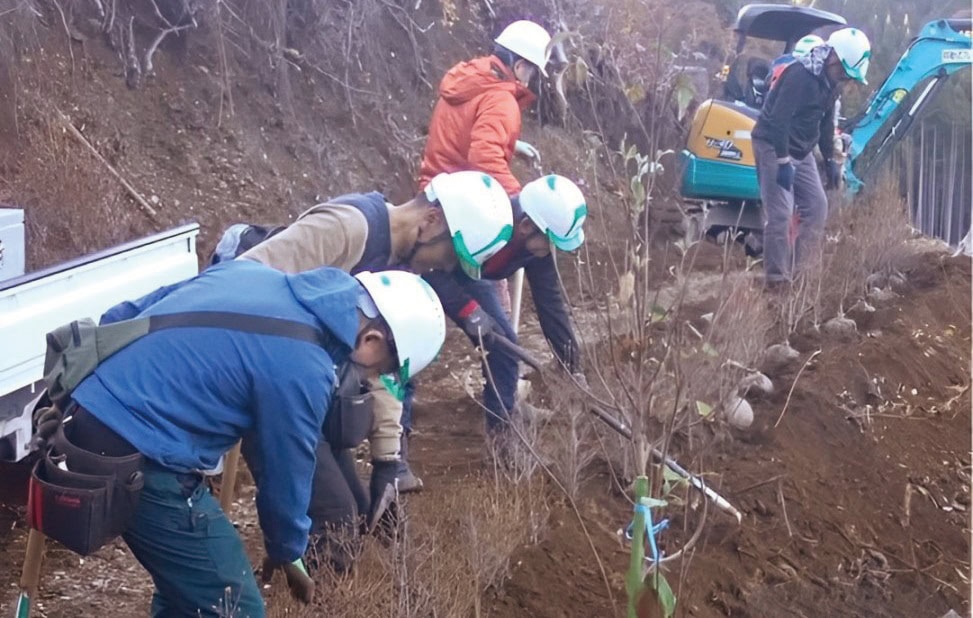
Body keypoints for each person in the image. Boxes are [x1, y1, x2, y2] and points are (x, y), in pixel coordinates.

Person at [65, 261, 446, 616]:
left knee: (189, 586)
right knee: (236, 603)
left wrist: (91, 393)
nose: (371, 378)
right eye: (382, 370)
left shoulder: (248, 272)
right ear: (373, 339)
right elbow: (287, 468)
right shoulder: (305, 367)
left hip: (92, 422)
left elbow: (123, 315)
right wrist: (287, 550)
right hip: (136, 457)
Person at [417, 174, 587, 435]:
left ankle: (503, 437)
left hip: (471, 274)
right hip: (430, 268)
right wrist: (467, 310)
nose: (551, 249)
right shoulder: (487, 222)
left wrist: (571, 365)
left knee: (503, 345)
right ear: (527, 225)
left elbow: (550, 303)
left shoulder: (535, 248)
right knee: (405, 346)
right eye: (550, 242)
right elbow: (428, 265)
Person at [418, 19, 554, 314]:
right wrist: (522, 201)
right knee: (496, 314)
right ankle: (500, 351)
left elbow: (463, 131)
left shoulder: (470, 81)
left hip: (431, 196)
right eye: (530, 70)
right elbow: (485, 161)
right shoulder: (502, 99)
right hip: (464, 212)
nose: (529, 79)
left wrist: (513, 146)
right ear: (519, 65)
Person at [751, 27, 870, 287]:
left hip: (800, 148)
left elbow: (826, 126)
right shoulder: (799, 76)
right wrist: (782, 162)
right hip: (772, 144)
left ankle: (802, 278)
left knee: (817, 207)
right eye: (845, 72)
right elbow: (779, 122)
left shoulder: (830, 85)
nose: (846, 79)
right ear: (833, 57)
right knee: (781, 213)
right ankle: (777, 282)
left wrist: (831, 162)